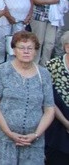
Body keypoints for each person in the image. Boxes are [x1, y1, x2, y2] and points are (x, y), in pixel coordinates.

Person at [0, 31, 55, 164]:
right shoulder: (3, 70)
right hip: (3, 139)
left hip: (33, 141)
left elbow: (49, 109)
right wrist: (8, 132)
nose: (26, 51)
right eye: (21, 48)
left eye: (30, 48)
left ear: (35, 51)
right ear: (14, 50)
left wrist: (36, 135)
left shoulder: (44, 74)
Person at [30, 0, 62, 66]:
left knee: (50, 42)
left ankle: (46, 65)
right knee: (38, 41)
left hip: (52, 16)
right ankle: (34, 64)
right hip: (39, 15)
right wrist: (49, 1)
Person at [46, 31, 69, 164]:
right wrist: (66, 123)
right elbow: (48, 99)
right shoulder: (53, 66)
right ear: (67, 47)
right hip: (57, 124)